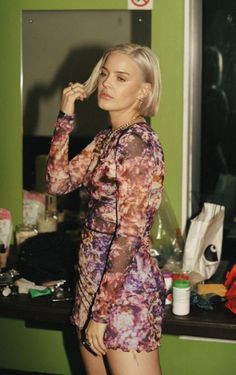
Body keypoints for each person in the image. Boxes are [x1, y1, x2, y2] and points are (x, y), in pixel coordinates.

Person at [47, 43, 166, 375]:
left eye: (120, 77)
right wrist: (66, 114)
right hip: (91, 280)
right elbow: (58, 183)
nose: (106, 83)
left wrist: (101, 313)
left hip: (124, 291)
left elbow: (129, 235)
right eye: (104, 74)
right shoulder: (107, 139)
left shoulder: (138, 143)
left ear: (143, 91)